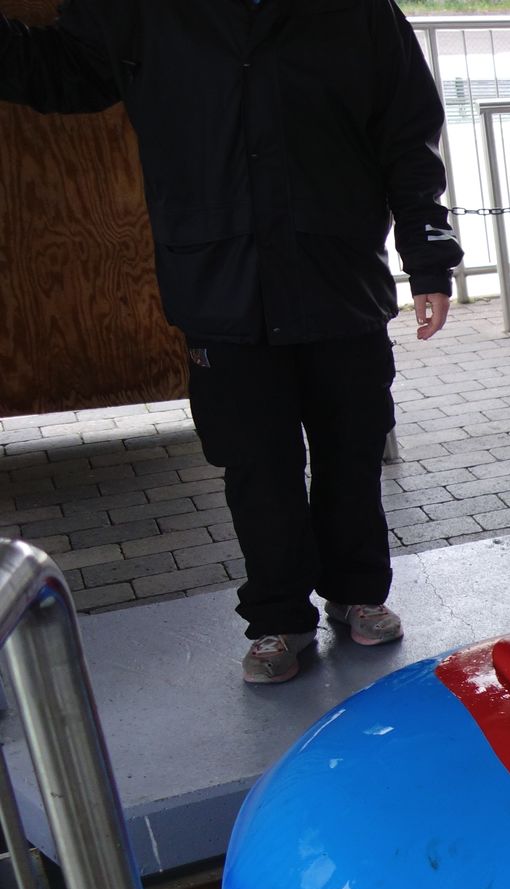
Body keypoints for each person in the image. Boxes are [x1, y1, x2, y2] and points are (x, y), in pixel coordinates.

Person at [1, 0, 461, 684]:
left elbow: (407, 131)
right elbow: (57, 71)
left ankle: (358, 592)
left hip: (337, 276)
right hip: (221, 285)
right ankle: (278, 619)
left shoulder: (358, 10)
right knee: (255, 466)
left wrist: (429, 256)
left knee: (353, 447)